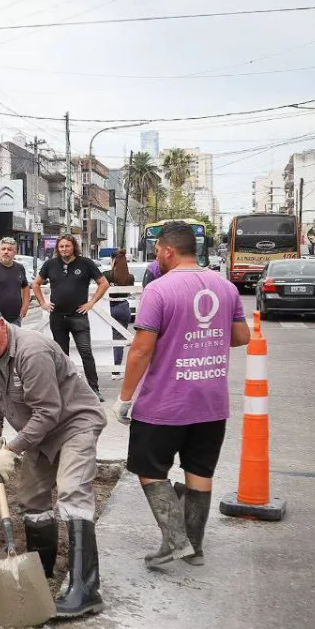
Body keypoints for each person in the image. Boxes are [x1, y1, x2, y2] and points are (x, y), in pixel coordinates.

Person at [112, 222, 249, 569]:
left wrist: (125, 398)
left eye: (157, 251)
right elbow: (241, 336)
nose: (156, 257)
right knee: (199, 471)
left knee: (149, 468)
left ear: (169, 251)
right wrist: (206, 336)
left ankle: (176, 541)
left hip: (165, 403)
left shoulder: (158, 290)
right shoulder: (225, 286)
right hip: (211, 402)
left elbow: (141, 350)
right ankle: (195, 547)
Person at [0, 303, 106, 617]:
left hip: (74, 423)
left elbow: (48, 411)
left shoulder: (32, 352)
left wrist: (11, 449)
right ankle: (42, 571)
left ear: (2, 324)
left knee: (72, 491)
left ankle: (86, 589)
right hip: (39, 433)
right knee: (31, 498)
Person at [32, 235, 109, 399]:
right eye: (61, 247)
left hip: (78, 316)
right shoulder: (50, 264)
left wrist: (91, 303)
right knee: (61, 355)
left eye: (67, 246)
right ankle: (65, 390)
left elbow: (104, 283)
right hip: (57, 317)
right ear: (57, 248)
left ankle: (94, 389)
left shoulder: (86, 263)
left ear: (74, 247)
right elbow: (35, 284)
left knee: (86, 352)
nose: (64, 249)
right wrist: (42, 303)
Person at [103, 250, 135, 365]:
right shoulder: (130, 277)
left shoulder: (106, 275)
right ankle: (116, 370)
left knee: (106, 336)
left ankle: (106, 363)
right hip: (123, 307)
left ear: (113, 261)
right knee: (119, 339)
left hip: (107, 307)